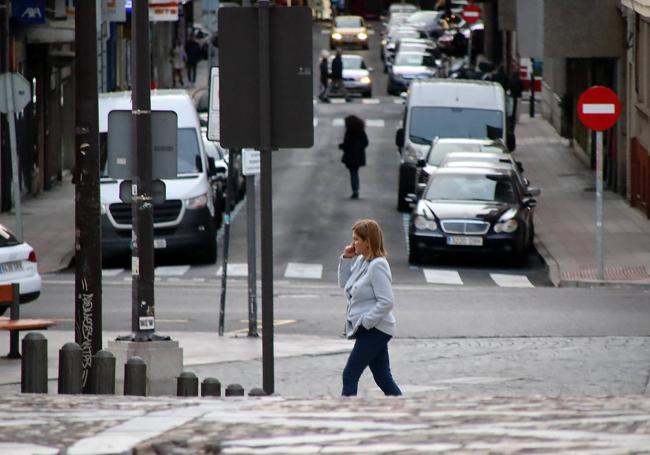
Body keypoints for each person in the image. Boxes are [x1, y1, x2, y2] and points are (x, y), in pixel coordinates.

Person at [338, 219, 402, 397]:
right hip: (370, 329)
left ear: (368, 242)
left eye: (357, 239)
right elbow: (345, 284)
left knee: (349, 375)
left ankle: (346, 416)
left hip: (376, 329)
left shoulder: (378, 265)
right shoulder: (362, 261)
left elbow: (387, 301)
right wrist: (346, 258)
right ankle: (403, 408)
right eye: (353, 239)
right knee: (383, 378)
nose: (353, 243)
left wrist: (366, 322)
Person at [339, 115, 368, 199]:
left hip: (350, 156)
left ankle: (355, 190)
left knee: (353, 173)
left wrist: (342, 146)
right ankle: (356, 190)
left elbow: (346, 144)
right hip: (359, 156)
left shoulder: (349, 132)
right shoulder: (361, 131)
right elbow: (365, 142)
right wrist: (359, 148)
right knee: (355, 173)